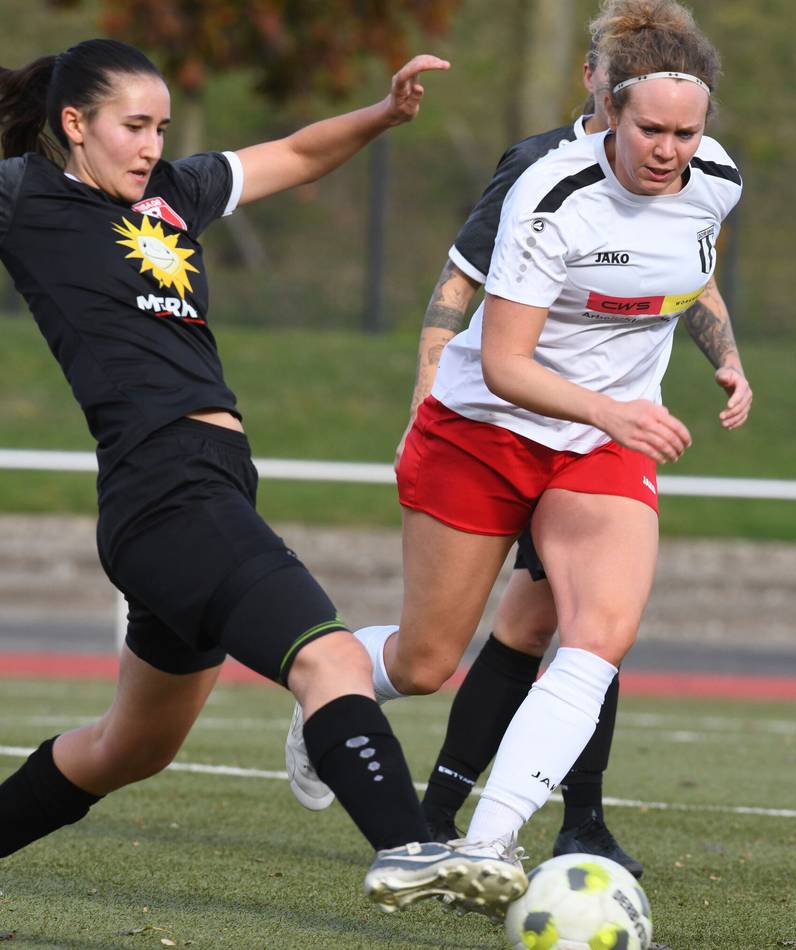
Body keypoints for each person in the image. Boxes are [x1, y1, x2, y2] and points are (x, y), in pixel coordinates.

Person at [0, 38, 530, 919]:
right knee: (328, 657)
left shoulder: (171, 194)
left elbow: (294, 153)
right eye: (132, 126)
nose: (149, 145)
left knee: (127, 749)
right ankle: (407, 847)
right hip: (165, 491)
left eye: (160, 127)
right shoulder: (26, 197)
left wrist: (383, 113)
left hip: (201, 491)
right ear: (73, 124)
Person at [290, 0, 751, 866]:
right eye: (651, 129)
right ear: (607, 110)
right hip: (487, 428)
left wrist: (727, 356)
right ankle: (329, 684)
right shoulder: (547, 190)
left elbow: (691, 266)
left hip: (603, 442)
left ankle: (487, 848)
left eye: (687, 133)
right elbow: (503, 362)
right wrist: (605, 407)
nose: (669, 151)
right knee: (427, 660)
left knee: (598, 632)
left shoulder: (717, 178)